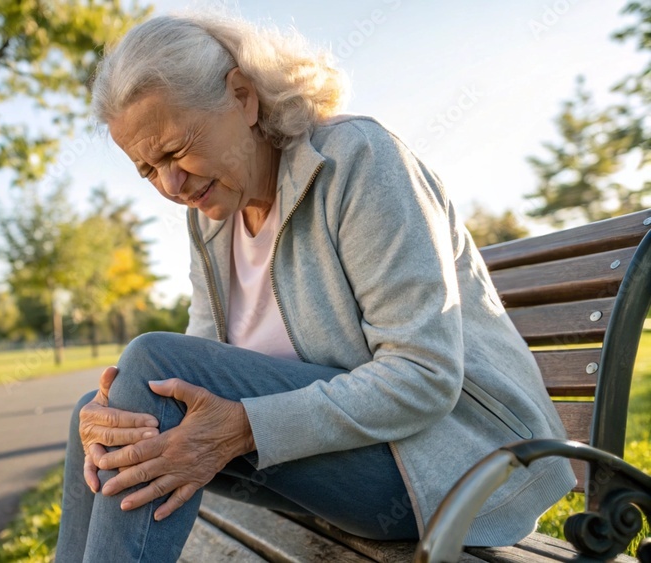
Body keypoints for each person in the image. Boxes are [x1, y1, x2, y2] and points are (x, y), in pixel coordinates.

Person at [54, 13, 575, 563]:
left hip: (454, 462)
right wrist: (120, 412)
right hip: (339, 459)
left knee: (150, 363)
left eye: (177, 150)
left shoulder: (359, 159)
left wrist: (246, 427)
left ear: (242, 97)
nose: (171, 186)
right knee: (105, 415)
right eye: (147, 170)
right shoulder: (212, 214)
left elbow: (425, 374)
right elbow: (191, 373)